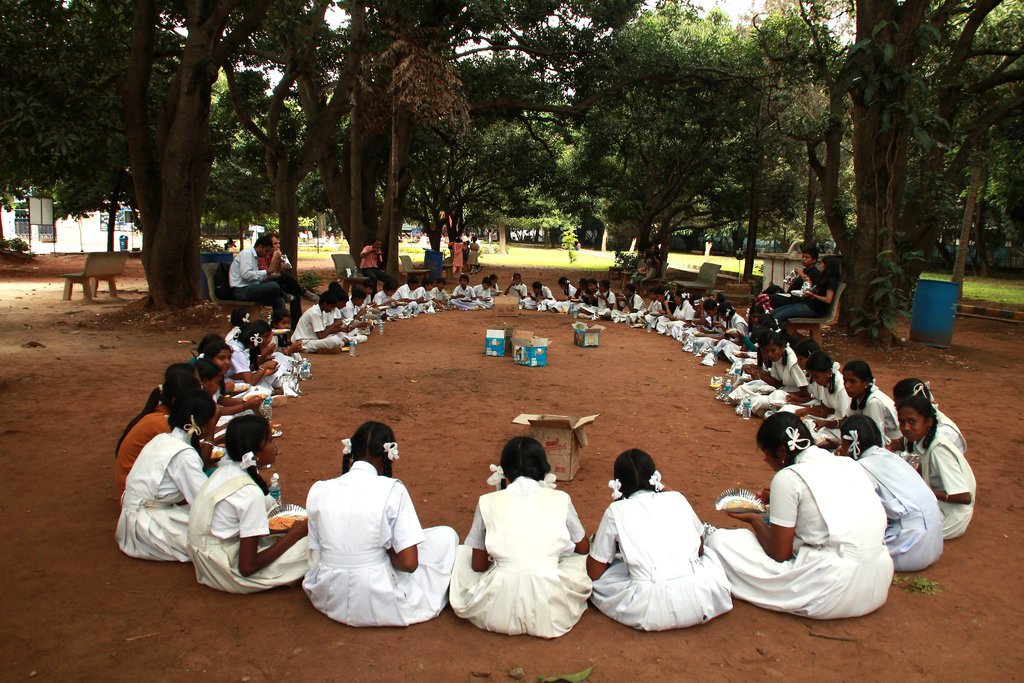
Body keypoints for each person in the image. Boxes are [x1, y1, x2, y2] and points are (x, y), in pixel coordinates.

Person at [705, 413, 893, 619]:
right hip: (878, 581)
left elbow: (779, 554)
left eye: (766, 453)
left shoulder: (788, 477)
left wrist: (755, 519)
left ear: (781, 451)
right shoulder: (849, 464)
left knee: (720, 541)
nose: (765, 460)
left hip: (833, 589)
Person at [303, 422, 458, 626]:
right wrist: (386, 549)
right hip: (377, 596)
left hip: (328, 595)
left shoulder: (319, 489)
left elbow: (316, 554)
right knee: (446, 536)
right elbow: (409, 564)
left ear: (351, 451)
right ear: (387, 454)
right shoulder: (393, 489)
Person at [449, 437, 592, 638]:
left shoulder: (487, 501)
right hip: (552, 609)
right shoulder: (561, 498)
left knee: (462, 552)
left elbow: (478, 565)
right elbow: (583, 548)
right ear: (543, 468)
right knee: (585, 557)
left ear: (504, 470)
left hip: (498, 609)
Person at [587, 450, 732, 631]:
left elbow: (594, 572)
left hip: (650, 608)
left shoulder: (615, 511)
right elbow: (700, 550)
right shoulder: (676, 498)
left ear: (618, 484)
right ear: (655, 477)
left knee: (606, 573)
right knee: (708, 555)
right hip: (702, 598)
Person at [187, 414, 309, 593]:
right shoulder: (250, 493)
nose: (275, 446)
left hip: (204, 556)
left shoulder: (222, 471)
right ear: (255, 453)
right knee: (312, 546)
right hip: (223, 568)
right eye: (269, 441)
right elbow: (247, 567)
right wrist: (295, 534)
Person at [117, 391, 219, 561]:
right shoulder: (184, 455)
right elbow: (202, 500)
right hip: (148, 526)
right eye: (212, 420)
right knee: (223, 536)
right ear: (199, 423)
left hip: (134, 516)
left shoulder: (162, 439)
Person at [838, 415, 943, 570]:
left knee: (842, 547)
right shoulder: (890, 456)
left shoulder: (861, 468)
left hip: (910, 547)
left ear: (848, 443)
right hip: (934, 543)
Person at [897, 393, 976, 540]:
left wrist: (926, 492)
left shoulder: (938, 450)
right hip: (940, 506)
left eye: (912, 422)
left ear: (929, 422)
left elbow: (964, 497)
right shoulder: (923, 441)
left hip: (952, 517)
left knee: (897, 526)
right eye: (902, 422)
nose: (906, 428)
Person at [115, 363, 200, 493]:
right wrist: (209, 437)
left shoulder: (160, 414)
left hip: (139, 484)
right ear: (175, 401)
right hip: (137, 492)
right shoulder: (162, 423)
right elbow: (188, 463)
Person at [892, 379, 966, 453]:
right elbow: (907, 441)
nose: (906, 427)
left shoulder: (942, 436)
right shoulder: (920, 420)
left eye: (899, 406)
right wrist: (897, 443)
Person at [228, 235, 287, 321]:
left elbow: (255, 277)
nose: (267, 254)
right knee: (274, 286)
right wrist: (266, 272)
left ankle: (277, 325)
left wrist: (266, 277)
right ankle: (285, 295)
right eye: (266, 251)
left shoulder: (255, 257)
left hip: (251, 287)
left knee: (279, 300)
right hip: (241, 290)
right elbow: (246, 275)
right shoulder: (247, 254)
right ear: (260, 247)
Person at [772, 255, 841, 325]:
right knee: (773, 313)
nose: (820, 265)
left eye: (822, 263)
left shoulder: (831, 281)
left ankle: (776, 330)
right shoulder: (823, 278)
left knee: (778, 316)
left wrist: (813, 295)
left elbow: (828, 300)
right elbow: (813, 288)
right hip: (807, 304)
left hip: (814, 309)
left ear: (827, 266)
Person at [843, 360, 901, 443]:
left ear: (866, 382)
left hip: (891, 442)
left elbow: (876, 437)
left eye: (852, 381)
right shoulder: (858, 396)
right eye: (845, 380)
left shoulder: (874, 402)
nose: (846, 385)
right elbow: (846, 421)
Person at [767, 243, 821, 309]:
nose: (803, 259)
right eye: (803, 257)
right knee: (772, 289)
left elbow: (809, 289)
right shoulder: (804, 271)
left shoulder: (815, 273)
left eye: (807, 257)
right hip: (790, 296)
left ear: (814, 260)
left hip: (799, 301)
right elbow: (792, 287)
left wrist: (802, 274)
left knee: (766, 298)